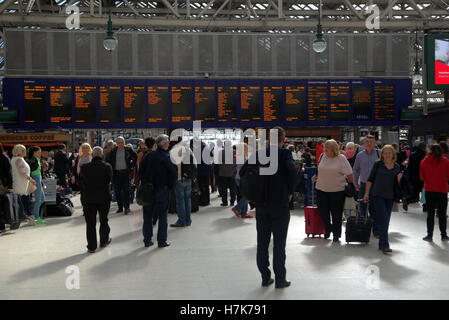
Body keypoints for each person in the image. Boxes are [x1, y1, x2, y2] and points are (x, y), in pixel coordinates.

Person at [240, 127, 297, 289]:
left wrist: (253, 197)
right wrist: (290, 191)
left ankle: (265, 277)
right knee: (279, 243)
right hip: (280, 203)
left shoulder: (258, 154)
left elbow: (243, 173)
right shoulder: (284, 154)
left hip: (262, 204)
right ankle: (280, 279)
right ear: (283, 139)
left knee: (262, 242)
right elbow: (292, 172)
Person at [363, 145, 403, 254]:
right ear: (382, 155)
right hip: (377, 195)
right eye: (385, 153)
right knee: (384, 219)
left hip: (390, 197)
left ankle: (381, 243)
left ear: (393, 154)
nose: (387, 155)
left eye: (390, 153)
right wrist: (366, 193)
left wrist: (400, 179)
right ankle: (385, 245)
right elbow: (370, 179)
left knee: (386, 220)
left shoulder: (397, 167)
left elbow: (398, 185)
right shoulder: (378, 164)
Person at [313, 139, 354, 242]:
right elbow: (319, 170)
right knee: (323, 212)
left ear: (334, 149)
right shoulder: (323, 156)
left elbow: (349, 174)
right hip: (321, 189)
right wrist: (315, 176)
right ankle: (328, 229)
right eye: (325, 147)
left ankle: (336, 234)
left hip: (337, 191)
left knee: (336, 214)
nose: (325, 149)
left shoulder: (341, 158)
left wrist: (352, 185)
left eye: (327, 147)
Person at [140, 134, 177, 248]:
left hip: (148, 189)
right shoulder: (167, 157)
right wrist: (169, 187)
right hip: (162, 189)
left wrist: (145, 182)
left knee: (147, 215)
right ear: (165, 144)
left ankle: (147, 240)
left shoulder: (148, 156)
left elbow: (140, 171)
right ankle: (161, 241)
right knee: (162, 216)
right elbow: (173, 173)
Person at [80, 147, 113, 253]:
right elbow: (110, 180)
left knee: (90, 223)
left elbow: (82, 182)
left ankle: (91, 246)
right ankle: (103, 241)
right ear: (102, 155)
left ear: (92, 155)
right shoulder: (107, 167)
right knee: (104, 220)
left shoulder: (84, 167)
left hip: (89, 198)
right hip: (104, 197)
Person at [352, 135, 381, 236]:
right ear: (363, 144)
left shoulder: (379, 154)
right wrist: (355, 182)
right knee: (362, 208)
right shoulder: (359, 155)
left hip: (376, 185)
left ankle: (376, 231)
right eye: (367, 142)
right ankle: (365, 228)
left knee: (375, 208)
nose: (369, 144)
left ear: (374, 144)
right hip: (363, 185)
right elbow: (355, 169)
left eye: (371, 142)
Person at [420, 144, 449, 242]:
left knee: (430, 214)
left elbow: (422, 177)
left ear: (430, 150)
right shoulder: (445, 161)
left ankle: (429, 235)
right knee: (442, 214)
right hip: (442, 190)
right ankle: (444, 235)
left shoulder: (424, 161)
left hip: (429, 190)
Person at [170, 138, 197, 228]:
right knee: (187, 199)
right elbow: (195, 164)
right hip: (188, 178)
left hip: (178, 179)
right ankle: (188, 220)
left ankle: (181, 221)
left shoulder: (173, 151)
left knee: (180, 201)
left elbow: (171, 166)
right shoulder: (188, 150)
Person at [106, 136, 137, 215]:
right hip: (116, 174)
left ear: (124, 143)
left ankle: (127, 207)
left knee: (126, 191)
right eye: (119, 143)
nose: (120, 144)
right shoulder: (113, 151)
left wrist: (132, 165)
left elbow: (135, 157)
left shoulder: (128, 149)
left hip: (125, 173)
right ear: (116, 143)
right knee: (117, 192)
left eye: (122, 142)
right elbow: (108, 160)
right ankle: (120, 207)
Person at [232, 143, 252, 218]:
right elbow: (243, 168)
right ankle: (236, 208)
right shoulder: (240, 157)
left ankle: (244, 213)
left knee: (245, 195)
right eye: (247, 149)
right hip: (240, 179)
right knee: (247, 195)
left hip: (239, 178)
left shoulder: (241, 156)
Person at [28, 146, 46, 224]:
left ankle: (32, 215)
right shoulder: (33, 160)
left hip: (38, 179)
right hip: (36, 179)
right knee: (39, 199)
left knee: (42, 198)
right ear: (34, 153)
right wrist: (32, 180)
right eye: (39, 152)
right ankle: (36, 216)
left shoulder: (37, 159)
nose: (40, 153)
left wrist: (41, 182)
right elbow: (29, 170)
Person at [72, 143, 93, 214]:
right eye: (84, 148)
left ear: (89, 149)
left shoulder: (92, 157)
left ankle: (90, 208)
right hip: (81, 177)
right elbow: (75, 168)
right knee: (83, 194)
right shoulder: (79, 157)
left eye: (87, 148)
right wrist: (73, 175)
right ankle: (85, 209)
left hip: (90, 178)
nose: (85, 149)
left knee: (90, 193)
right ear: (81, 149)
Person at [218, 140, 237, 206]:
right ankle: (232, 201)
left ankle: (225, 202)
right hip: (232, 173)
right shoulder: (234, 152)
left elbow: (219, 162)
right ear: (230, 145)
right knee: (232, 188)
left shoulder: (221, 152)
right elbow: (236, 162)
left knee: (224, 188)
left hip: (223, 173)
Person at [0, 143, 13, 232]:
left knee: (1, 205)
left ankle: (1, 225)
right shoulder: (4, 158)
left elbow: (9, 173)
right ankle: (1, 226)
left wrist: (10, 185)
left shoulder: (4, 158)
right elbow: (9, 172)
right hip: (2, 184)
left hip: (1, 184)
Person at [197, 141, 212, 207]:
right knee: (206, 186)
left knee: (200, 186)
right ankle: (207, 201)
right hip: (207, 171)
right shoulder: (208, 150)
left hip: (199, 171)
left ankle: (202, 201)